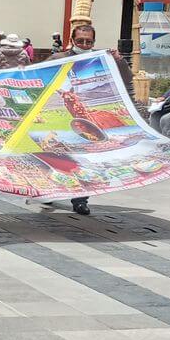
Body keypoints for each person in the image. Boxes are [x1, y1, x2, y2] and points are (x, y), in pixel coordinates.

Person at [47, 24, 133, 215]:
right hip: (63, 114)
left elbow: (127, 78)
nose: (84, 45)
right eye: (80, 41)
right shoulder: (58, 59)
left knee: (85, 156)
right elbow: (40, 76)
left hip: (89, 117)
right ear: (72, 41)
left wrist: (119, 60)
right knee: (59, 153)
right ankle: (52, 189)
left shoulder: (102, 59)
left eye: (89, 41)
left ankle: (80, 199)